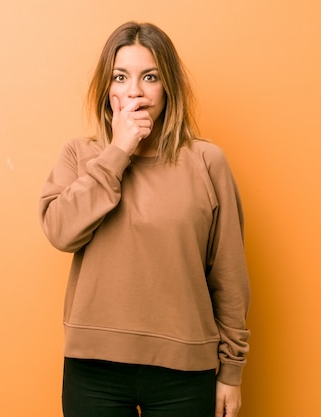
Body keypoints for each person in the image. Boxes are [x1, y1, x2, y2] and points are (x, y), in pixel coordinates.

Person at [39, 21, 250, 417]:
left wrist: (232, 372)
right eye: (121, 77)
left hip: (184, 372)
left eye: (149, 77)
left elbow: (229, 275)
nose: (134, 90)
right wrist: (117, 152)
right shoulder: (79, 155)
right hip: (93, 369)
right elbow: (60, 231)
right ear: (107, 89)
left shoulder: (207, 162)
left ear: (167, 88)